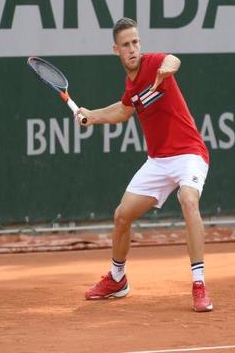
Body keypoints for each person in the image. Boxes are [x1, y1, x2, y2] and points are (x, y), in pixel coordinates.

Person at [76, 17, 213, 312]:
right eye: (126, 45)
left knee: (188, 200)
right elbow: (123, 110)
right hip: (158, 161)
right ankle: (117, 279)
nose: (133, 49)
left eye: (136, 42)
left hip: (189, 153)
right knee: (122, 216)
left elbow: (173, 60)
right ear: (116, 50)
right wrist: (92, 116)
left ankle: (199, 284)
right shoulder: (131, 86)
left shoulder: (154, 64)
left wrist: (168, 68)